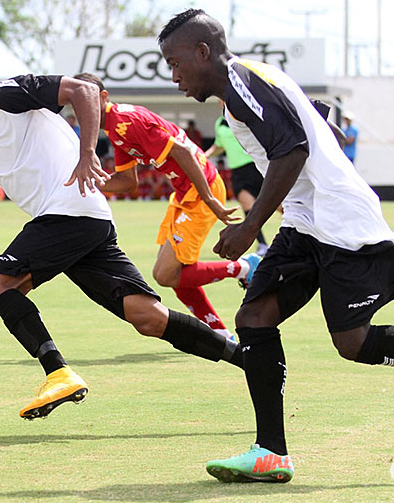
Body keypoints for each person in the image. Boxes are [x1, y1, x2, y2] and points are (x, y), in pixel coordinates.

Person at [158, 8, 394, 484]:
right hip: (307, 221)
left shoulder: (242, 84)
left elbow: (293, 149)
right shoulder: (252, 80)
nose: (174, 74)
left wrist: (252, 225)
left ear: (203, 52)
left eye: (176, 61)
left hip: (340, 222)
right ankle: (271, 452)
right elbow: (324, 125)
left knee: (353, 342)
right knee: (253, 318)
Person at [0, 54, 246, 421]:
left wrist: (87, 155)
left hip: (69, 209)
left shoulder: (6, 94)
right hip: (79, 221)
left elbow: (82, 89)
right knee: (147, 317)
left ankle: (57, 372)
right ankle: (247, 357)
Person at [74, 73, 261, 344]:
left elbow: (183, 152)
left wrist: (209, 199)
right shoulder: (113, 129)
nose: (81, 109)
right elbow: (127, 181)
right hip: (185, 193)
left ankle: (243, 267)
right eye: (75, 103)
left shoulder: (126, 121)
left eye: (86, 101)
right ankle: (220, 333)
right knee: (175, 273)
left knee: (164, 273)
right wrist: (85, 181)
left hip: (200, 189)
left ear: (103, 98)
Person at [205, 102, 269, 256]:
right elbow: (219, 145)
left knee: (280, 206)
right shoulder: (220, 122)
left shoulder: (244, 116)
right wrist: (203, 156)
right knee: (248, 206)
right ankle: (263, 244)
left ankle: (303, 235)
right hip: (237, 172)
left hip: (254, 166)